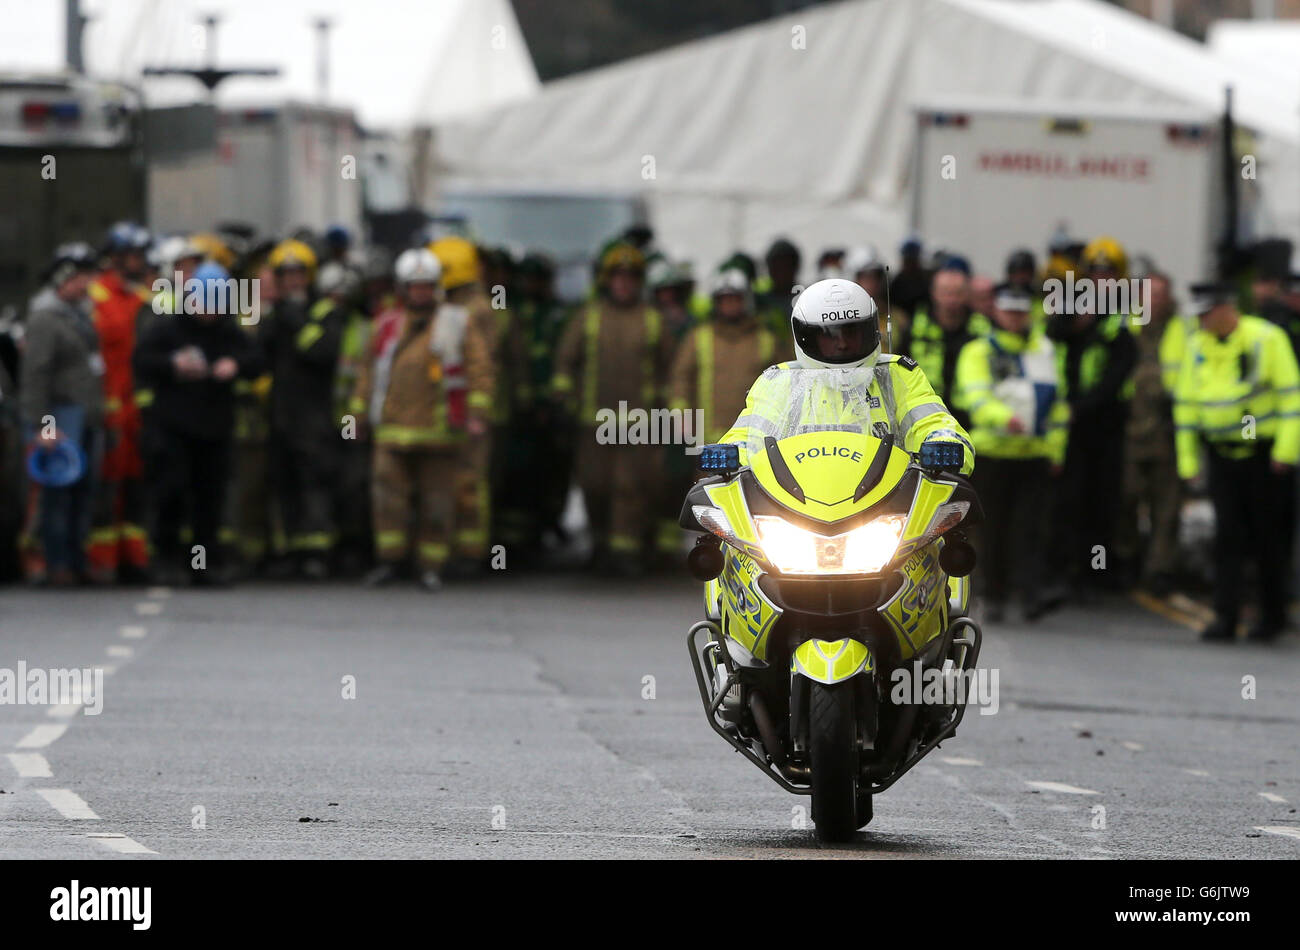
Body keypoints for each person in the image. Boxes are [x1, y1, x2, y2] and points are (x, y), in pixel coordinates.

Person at [720, 278, 974, 482]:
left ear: (871, 330)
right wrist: (732, 455)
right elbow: (749, 434)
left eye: (851, 333)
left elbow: (932, 421)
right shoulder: (778, 382)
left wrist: (944, 443)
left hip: (889, 508)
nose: (841, 344)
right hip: (794, 508)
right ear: (806, 336)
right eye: (829, 337)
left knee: (948, 542)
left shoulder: (897, 374)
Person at [351, 248, 493, 592]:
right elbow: (367, 373)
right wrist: (356, 416)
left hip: (440, 432)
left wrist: (477, 414)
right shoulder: (385, 324)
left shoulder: (457, 322)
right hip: (392, 430)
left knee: (438, 502)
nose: (421, 292)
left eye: (427, 286)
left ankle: (431, 566)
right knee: (388, 501)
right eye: (414, 286)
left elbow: (480, 368)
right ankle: (390, 562)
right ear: (403, 288)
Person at [1174, 283, 1300, 642]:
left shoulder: (1266, 339)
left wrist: (1286, 452)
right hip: (1222, 454)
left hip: (1263, 454)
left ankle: (1271, 616)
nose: (1200, 321)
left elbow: (1291, 397)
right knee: (1226, 539)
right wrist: (1187, 460)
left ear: (1226, 308)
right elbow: (1185, 405)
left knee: (1267, 540)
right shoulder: (1198, 345)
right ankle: (1225, 616)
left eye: (1205, 313)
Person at [132, 262, 264, 586]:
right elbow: (142, 360)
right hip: (173, 427)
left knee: (209, 501)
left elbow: (257, 360)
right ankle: (165, 561)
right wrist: (172, 364)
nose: (209, 313)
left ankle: (201, 564)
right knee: (171, 494)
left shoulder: (228, 330)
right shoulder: (169, 327)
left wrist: (235, 364)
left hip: (215, 428)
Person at [552, 241, 677, 574]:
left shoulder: (653, 320)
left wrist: (666, 414)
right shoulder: (588, 317)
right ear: (607, 280)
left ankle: (624, 554)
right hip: (594, 423)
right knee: (594, 485)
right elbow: (566, 360)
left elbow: (670, 369)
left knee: (631, 489)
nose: (624, 283)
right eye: (618, 277)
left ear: (639, 282)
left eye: (631, 277)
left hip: (639, 424)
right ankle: (598, 544)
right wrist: (564, 397)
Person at [954, 285, 1068, 621]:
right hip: (993, 452)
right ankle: (995, 595)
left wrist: (1057, 450)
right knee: (994, 530)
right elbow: (977, 400)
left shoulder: (1045, 350)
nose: (1015, 318)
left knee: (1031, 530)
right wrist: (1006, 419)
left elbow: (1058, 406)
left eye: (1021, 311)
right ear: (996, 312)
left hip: (1034, 453)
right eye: (1009, 311)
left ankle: (1030, 596)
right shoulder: (978, 351)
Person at [1046, 237, 1137, 597]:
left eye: (1108, 271)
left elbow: (1120, 369)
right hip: (1068, 421)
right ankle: (1066, 570)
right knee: (1069, 498)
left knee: (1104, 499)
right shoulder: (1071, 305)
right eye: (1095, 271)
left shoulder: (1125, 312)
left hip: (1106, 420)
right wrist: (1075, 324)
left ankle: (1097, 571)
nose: (1101, 278)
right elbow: (1052, 334)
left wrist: (1081, 407)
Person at [429, 236, 522, 575]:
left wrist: (477, 412)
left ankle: (469, 552)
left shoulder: (475, 308)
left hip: (471, 413)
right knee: (453, 479)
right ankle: (453, 547)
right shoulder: (462, 304)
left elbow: (481, 363)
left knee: (469, 480)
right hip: (454, 410)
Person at [18, 243, 104, 587]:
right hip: (61, 417)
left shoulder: (81, 315)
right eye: (81, 277)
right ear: (62, 279)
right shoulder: (45, 318)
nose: (88, 284)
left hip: (85, 416)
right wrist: (43, 426)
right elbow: (35, 376)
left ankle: (76, 557)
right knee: (58, 493)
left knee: (83, 492)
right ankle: (57, 562)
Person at [261, 239, 342, 579]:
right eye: (286, 275)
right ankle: (289, 549)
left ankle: (317, 552)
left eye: (298, 274)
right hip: (279, 411)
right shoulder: (272, 311)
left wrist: (295, 320)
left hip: (313, 413)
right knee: (283, 483)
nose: (293, 281)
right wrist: (265, 310)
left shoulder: (324, 311)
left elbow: (322, 352)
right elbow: (256, 352)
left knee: (314, 481)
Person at [87, 221, 153, 583]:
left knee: (136, 485)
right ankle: (101, 561)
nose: (138, 262)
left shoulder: (145, 299)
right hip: (107, 410)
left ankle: (134, 559)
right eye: (131, 255)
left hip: (137, 412)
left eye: (141, 255)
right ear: (114, 258)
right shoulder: (95, 298)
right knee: (105, 488)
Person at [1116, 269, 1186, 596]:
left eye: (1160, 294)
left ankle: (1160, 570)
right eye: (1148, 293)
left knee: (1166, 507)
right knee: (1126, 498)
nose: (1153, 300)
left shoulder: (1183, 332)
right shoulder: (1126, 328)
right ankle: (1126, 559)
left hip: (1167, 431)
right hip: (1130, 430)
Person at [896, 265, 990, 422]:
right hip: (925, 415)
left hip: (971, 419)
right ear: (934, 293)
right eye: (946, 293)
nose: (952, 300)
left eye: (957, 293)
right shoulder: (916, 329)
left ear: (967, 295)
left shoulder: (982, 330)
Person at [755, 238, 802, 337]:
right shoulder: (759, 302)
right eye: (777, 266)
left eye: (787, 266)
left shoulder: (806, 299)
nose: (782, 272)